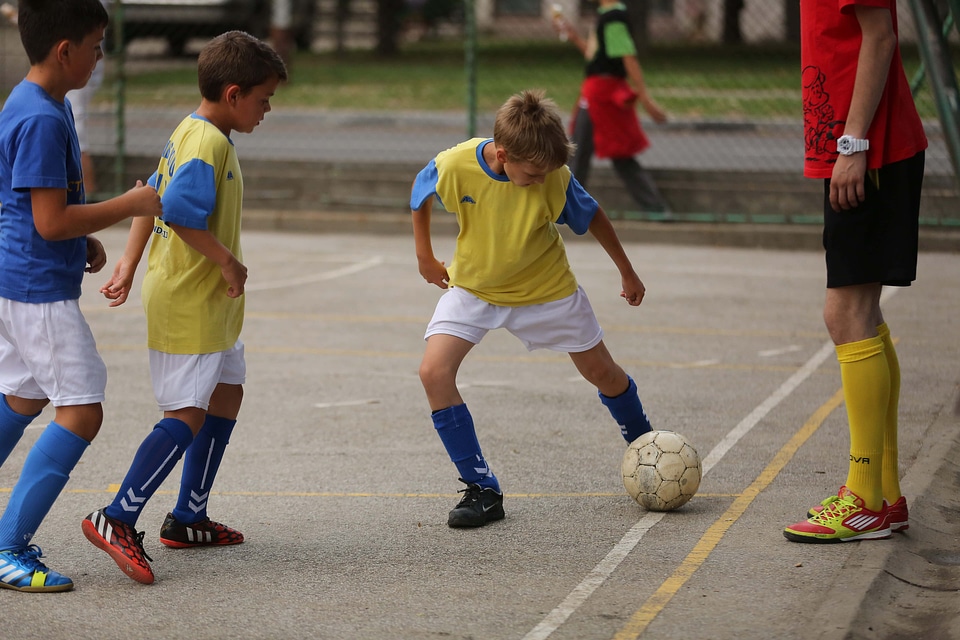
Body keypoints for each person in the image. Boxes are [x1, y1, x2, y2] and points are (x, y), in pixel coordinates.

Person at [81, 30, 287, 584]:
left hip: (206, 303)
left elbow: (150, 191)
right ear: (235, 93)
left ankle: (188, 515)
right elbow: (178, 212)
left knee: (226, 393)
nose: (268, 110)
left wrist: (127, 260)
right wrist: (225, 261)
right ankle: (117, 516)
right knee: (187, 413)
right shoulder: (209, 143)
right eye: (264, 99)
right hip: (190, 299)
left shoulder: (194, 129)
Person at [410, 89, 654, 528]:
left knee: (603, 373)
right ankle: (482, 488)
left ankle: (647, 448)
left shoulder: (554, 177)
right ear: (502, 155)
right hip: (475, 289)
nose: (541, 180)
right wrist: (424, 256)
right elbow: (421, 189)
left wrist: (627, 272)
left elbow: (593, 216)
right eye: (533, 173)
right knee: (433, 372)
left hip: (546, 291)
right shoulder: (456, 164)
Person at [0, 0, 162, 592]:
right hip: (36, 291)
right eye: (96, 45)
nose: (101, 56)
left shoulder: (42, 102)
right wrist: (129, 205)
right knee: (82, 409)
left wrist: (82, 239)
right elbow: (47, 221)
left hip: (21, 281)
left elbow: (41, 211)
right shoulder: (42, 117)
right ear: (66, 50)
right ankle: (7, 546)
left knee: (20, 398)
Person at [783, 1, 927, 543]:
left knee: (845, 312)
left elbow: (881, 36)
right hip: (861, 149)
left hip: (870, 151)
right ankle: (884, 497)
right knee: (862, 313)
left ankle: (863, 497)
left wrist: (853, 143)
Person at [553, 0, 671, 216]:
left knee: (589, 151)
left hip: (602, 94)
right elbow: (594, 55)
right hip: (597, 91)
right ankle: (655, 207)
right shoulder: (607, 15)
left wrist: (645, 99)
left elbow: (628, 57)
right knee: (589, 151)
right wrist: (573, 36)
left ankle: (656, 208)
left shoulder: (613, 18)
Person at [65, 0, 109, 199]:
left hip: (78, 60)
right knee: (76, 129)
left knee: (77, 129)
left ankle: (87, 197)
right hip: (75, 59)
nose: (99, 55)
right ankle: (87, 198)